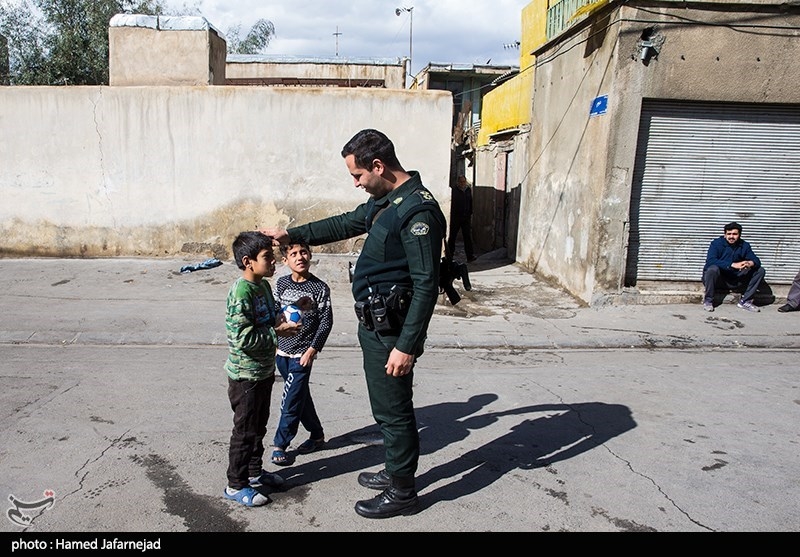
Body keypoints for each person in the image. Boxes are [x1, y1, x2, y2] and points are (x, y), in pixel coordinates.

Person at [261, 128, 446, 519]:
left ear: (378, 166)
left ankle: (403, 492)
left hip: (393, 331)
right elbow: (344, 224)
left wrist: (407, 345)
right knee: (384, 407)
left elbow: (427, 285)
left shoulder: (417, 211)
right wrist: (291, 234)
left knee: (395, 410)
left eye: (358, 176)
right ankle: (396, 470)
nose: (357, 184)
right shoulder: (385, 201)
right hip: (374, 324)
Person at [223, 231, 299, 507]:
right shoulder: (241, 292)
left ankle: (254, 472)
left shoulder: (263, 287)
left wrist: (286, 314)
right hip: (246, 377)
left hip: (263, 372)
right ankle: (236, 484)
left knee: (258, 427)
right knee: (244, 432)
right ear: (248, 262)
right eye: (268, 257)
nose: (274, 261)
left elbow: (269, 316)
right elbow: (242, 338)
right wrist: (278, 332)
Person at [270, 242, 334, 465]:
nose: (300, 257)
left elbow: (326, 322)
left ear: (310, 255)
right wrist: (276, 336)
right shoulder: (281, 284)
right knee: (300, 396)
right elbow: (275, 312)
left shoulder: (319, 288)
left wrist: (312, 350)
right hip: (282, 353)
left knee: (291, 399)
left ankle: (281, 443)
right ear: (285, 260)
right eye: (294, 254)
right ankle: (317, 435)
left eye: (304, 252)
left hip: (302, 354)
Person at [702, 221, 766, 313]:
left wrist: (749, 263)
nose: (731, 236)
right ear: (725, 235)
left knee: (760, 270)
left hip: (736, 279)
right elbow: (710, 260)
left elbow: (756, 261)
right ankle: (708, 300)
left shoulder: (744, 245)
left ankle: (745, 301)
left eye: (735, 234)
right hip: (719, 280)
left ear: (739, 235)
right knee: (712, 269)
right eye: (729, 234)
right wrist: (732, 265)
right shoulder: (716, 244)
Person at [447, 174, 476, 262]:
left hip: (466, 217)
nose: (463, 183)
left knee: (467, 237)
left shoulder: (467, 190)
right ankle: (450, 256)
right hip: (456, 218)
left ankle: (470, 256)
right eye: (461, 181)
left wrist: (470, 212)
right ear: (458, 182)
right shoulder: (454, 191)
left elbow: (470, 202)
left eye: (464, 181)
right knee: (452, 237)